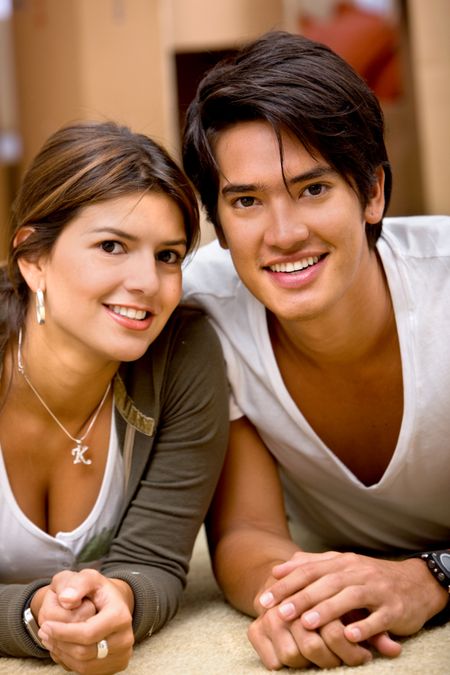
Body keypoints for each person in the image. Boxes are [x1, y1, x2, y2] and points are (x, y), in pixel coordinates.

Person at [181, 30, 450, 671]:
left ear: (373, 192)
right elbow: (248, 533)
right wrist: (305, 602)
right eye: (246, 201)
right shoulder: (203, 311)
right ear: (217, 223)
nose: (283, 234)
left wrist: (429, 578)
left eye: (313, 189)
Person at [0, 120, 228, 674]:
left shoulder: (182, 352)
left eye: (169, 256)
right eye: (111, 246)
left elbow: (155, 560)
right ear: (33, 259)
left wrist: (121, 600)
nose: (148, 283)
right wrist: (33, 617)